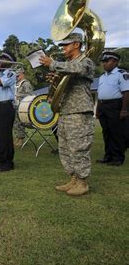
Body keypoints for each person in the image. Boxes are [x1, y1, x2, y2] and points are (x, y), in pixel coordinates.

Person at [39, 33, 95, 196]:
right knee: (64, 147)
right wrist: (55, 80)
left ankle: (82, 182)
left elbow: (78, 70)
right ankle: (73, 178)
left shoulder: (85, 61)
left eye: (66, 45)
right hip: (65, 111)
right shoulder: (67, 64)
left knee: (78, 147)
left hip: (79, 111)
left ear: (76, 44)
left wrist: (54, 64)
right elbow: (64, 83)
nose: (63, 48)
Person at [95, 51, 129, 166]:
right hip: (103, 106)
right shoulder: (102, 77)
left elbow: (126, 93)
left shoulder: (121, 74)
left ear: (115, 62)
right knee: (107, 132)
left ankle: (118, 158)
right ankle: (108, 156)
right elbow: (100, 94)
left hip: (115, 105)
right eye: (103, 62)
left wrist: (124, 110)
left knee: (117, 132)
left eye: (107, 61)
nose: (104, 64)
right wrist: (97, 109)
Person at [13, 69, 33, 147]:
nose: (17, 77)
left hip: (22, 106)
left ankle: (21, 139)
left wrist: (19, 96)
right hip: (15, 105)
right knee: (16, 123)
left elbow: (30, 95)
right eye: (16, 76)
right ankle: (17, 138)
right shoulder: (17, 84)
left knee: (20, 123)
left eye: (18, 76)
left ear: (22, 74)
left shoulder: (26, 83)